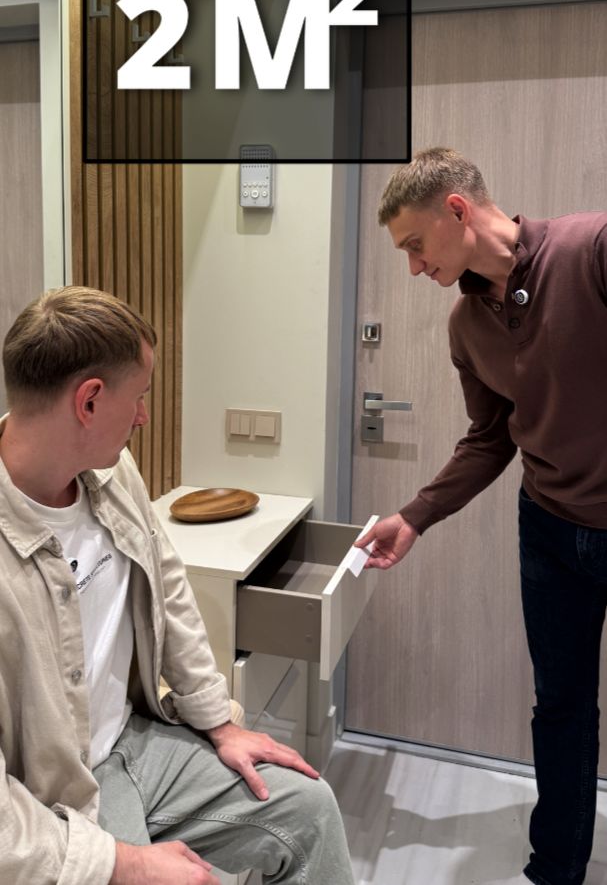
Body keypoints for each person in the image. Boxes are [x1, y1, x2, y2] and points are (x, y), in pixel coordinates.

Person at [0, 285, 354, 885]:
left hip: (135, 741)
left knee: (309, 809)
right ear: (89, 401)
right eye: (139, 397)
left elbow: (169, 587)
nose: (143, 416)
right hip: (48, 798)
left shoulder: (113, 473)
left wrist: (219, 721)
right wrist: (125, 863)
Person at [355, 147, 607, 885]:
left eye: (415, 246)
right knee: (560, 706)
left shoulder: (589, 250)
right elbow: (490, 438)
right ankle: (553, 870)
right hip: (549, 530)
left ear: (457, 211)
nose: (413, 268)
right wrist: (415, 516)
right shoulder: (466, 326)